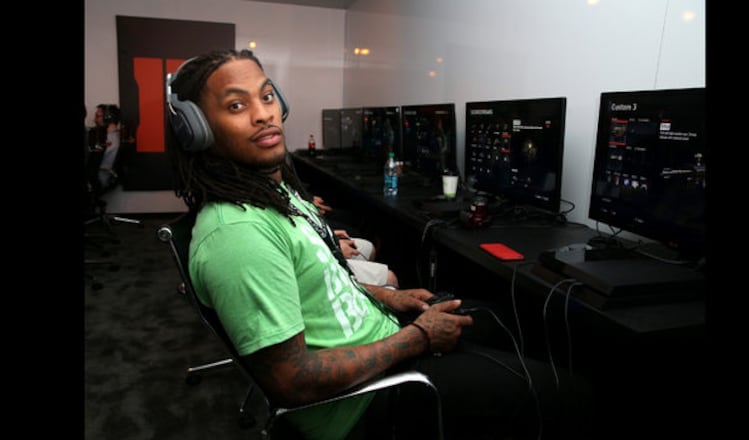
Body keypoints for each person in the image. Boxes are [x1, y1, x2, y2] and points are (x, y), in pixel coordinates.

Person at [165, 48, 594, 440]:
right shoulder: (237, 234)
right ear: (197, 129)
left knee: (509, 320)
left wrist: (388, 295)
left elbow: (313, 282)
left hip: (385, 341)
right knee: (569, 397)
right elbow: (291, 381)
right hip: (367, 403)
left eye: (267, 97)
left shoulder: (273, 193)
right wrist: (418, 338)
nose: (263, 115)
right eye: (236, 106)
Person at [91, 103, 122, 190]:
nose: (95, 119)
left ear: (108, 118)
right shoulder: (116, 136)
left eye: (98, 116)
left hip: (99, 182)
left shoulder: (109, 139)